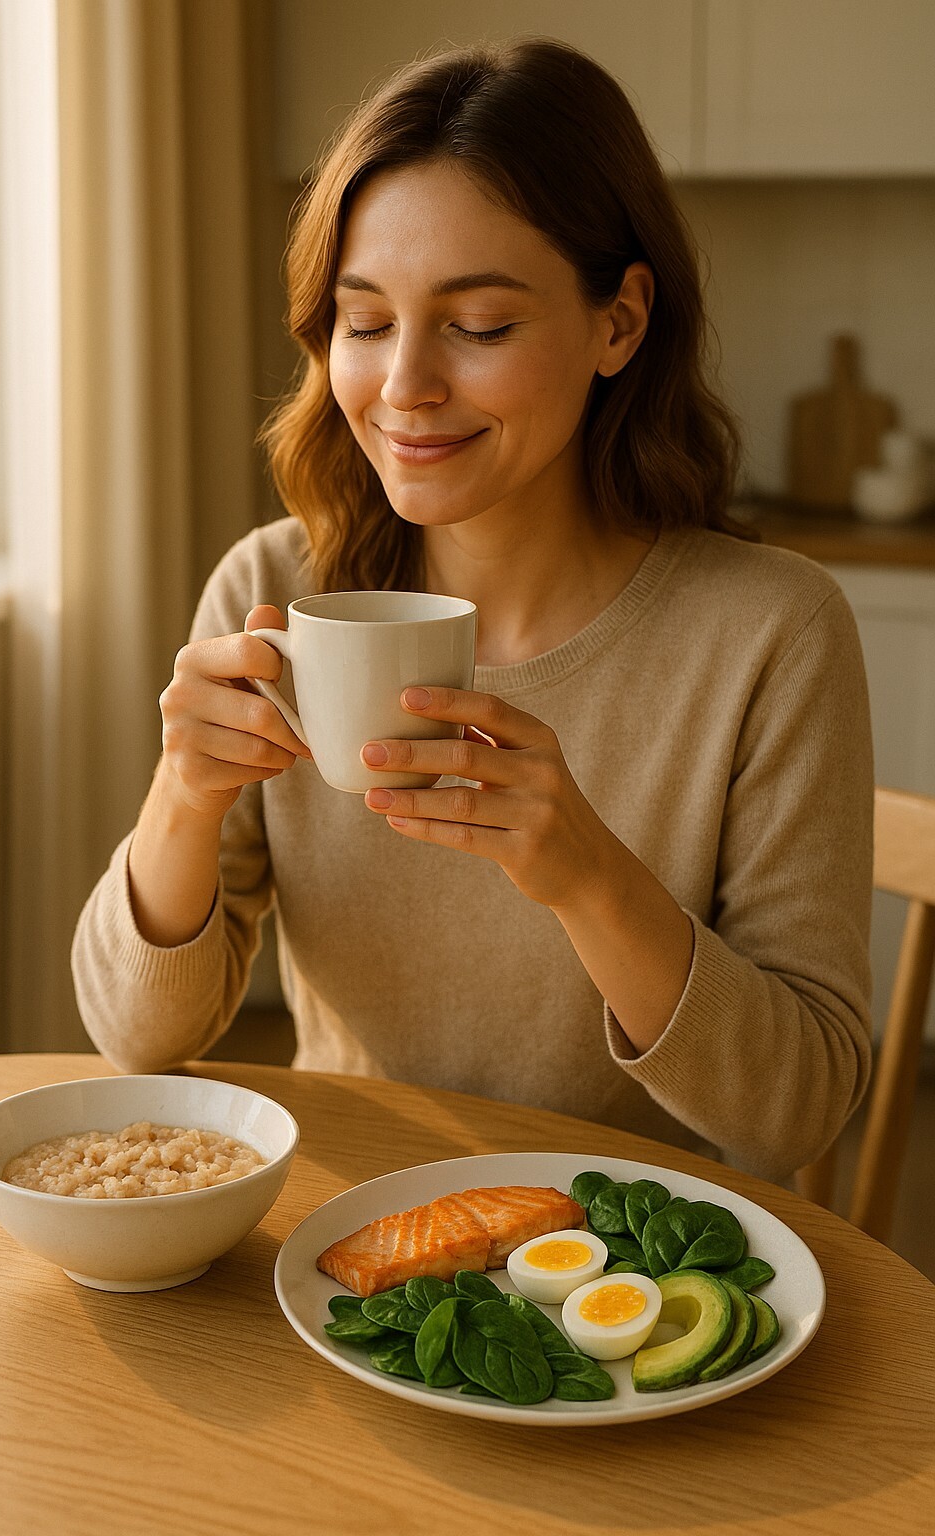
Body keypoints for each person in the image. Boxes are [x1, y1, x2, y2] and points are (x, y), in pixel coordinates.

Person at [72, 37, 873, 1182]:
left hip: (629, 1288)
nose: (404, 387)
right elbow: (136, 1038)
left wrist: (588, 875)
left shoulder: (769, 635)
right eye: (364, 320)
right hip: (346, 1251)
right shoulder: (273, 594)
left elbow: (793, 1112)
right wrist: (182, 796)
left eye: (480, 325)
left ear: (619, 323)